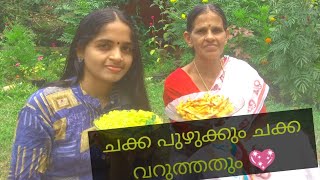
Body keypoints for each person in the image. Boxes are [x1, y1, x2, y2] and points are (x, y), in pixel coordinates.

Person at [163, 3, 320, 180]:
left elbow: (260, 122)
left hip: (246, 145)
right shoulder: (176, 83)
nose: (210, 37)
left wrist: (252, 157)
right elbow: (193, 140)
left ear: (226, 35)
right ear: (188, 38)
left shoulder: (240, 71)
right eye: (200, 31)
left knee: (296, 140)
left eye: (216, 30)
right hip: (202, 159)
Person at [8, 7, 150, 180]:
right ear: (81, 50)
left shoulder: (133, 108)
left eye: (126, 48)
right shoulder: (45, 107)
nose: (117, 56)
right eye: (104, 46)